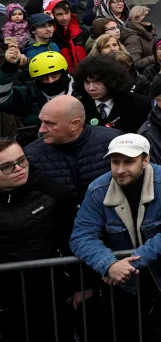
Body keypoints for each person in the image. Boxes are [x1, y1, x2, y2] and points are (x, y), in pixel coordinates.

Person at [69, 133, 161, 340]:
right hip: (122, 285)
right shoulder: (98, 189)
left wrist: (131, 262)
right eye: (115, 162)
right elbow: (81, 236)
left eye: (128, 162)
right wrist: (108, 264)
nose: (120, 169)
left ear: (145, 160)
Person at [0, 139, 78, 342]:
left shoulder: (52, 191)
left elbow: (72, 241)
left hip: (50, 289)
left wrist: (83, 285)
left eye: (22, 161)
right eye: (7, 167)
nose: (19, 169)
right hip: (7, 296)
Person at [24, 95, 121, 201]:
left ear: (75, 124)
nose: (41, 130)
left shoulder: (113, 142)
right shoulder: (30, 156)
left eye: (50, 123)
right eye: (41, 122)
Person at [72, 54, 149, 133]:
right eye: (87, 82)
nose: (91, 88)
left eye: (98, 82)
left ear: (112, 81)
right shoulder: (78, 108)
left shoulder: (141, 104)